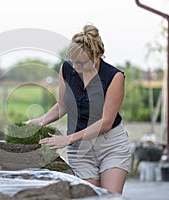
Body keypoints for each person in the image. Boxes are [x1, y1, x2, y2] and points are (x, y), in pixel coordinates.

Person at [26, 24, 131, 194]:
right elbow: (62, 105)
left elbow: (106, 122)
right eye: (73, 61)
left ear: (97, 56)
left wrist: (67, 139)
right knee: (87, 197)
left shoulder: (114, 77)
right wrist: (39, 121)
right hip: (81, 150)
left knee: (110, 197)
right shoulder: (67, 70)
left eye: (81, 63)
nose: (75, 67)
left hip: (110, 146)